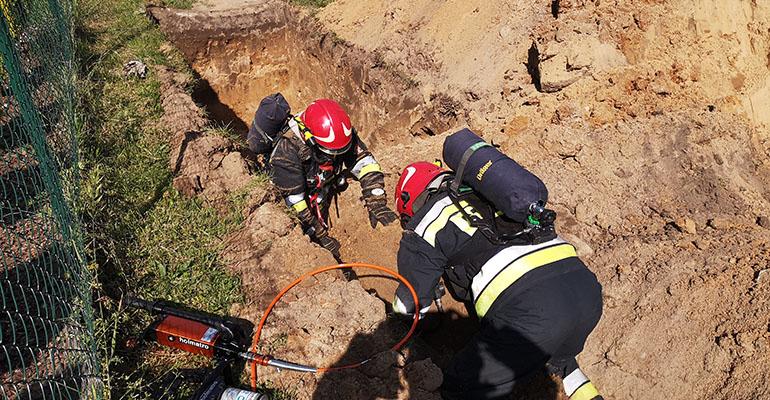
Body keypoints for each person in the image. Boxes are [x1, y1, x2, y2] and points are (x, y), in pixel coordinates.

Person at [391, 160, 604, 400]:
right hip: (585, 291)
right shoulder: (492, 193)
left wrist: (397, 323)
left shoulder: (427, 218)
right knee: (561, 363)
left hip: (531, 307)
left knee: (462, 387)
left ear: (411, 201)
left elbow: (410, 304)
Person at [268, 98, 398, 261]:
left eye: (339, 152)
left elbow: (365, 163)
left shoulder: (342, 134)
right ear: (309, 139)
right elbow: (295, 204)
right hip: (296, 193)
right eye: (329, 153)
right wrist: (320, 237)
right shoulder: (286, 151)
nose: (335, 157)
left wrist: (376, 200)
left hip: (319, 187)